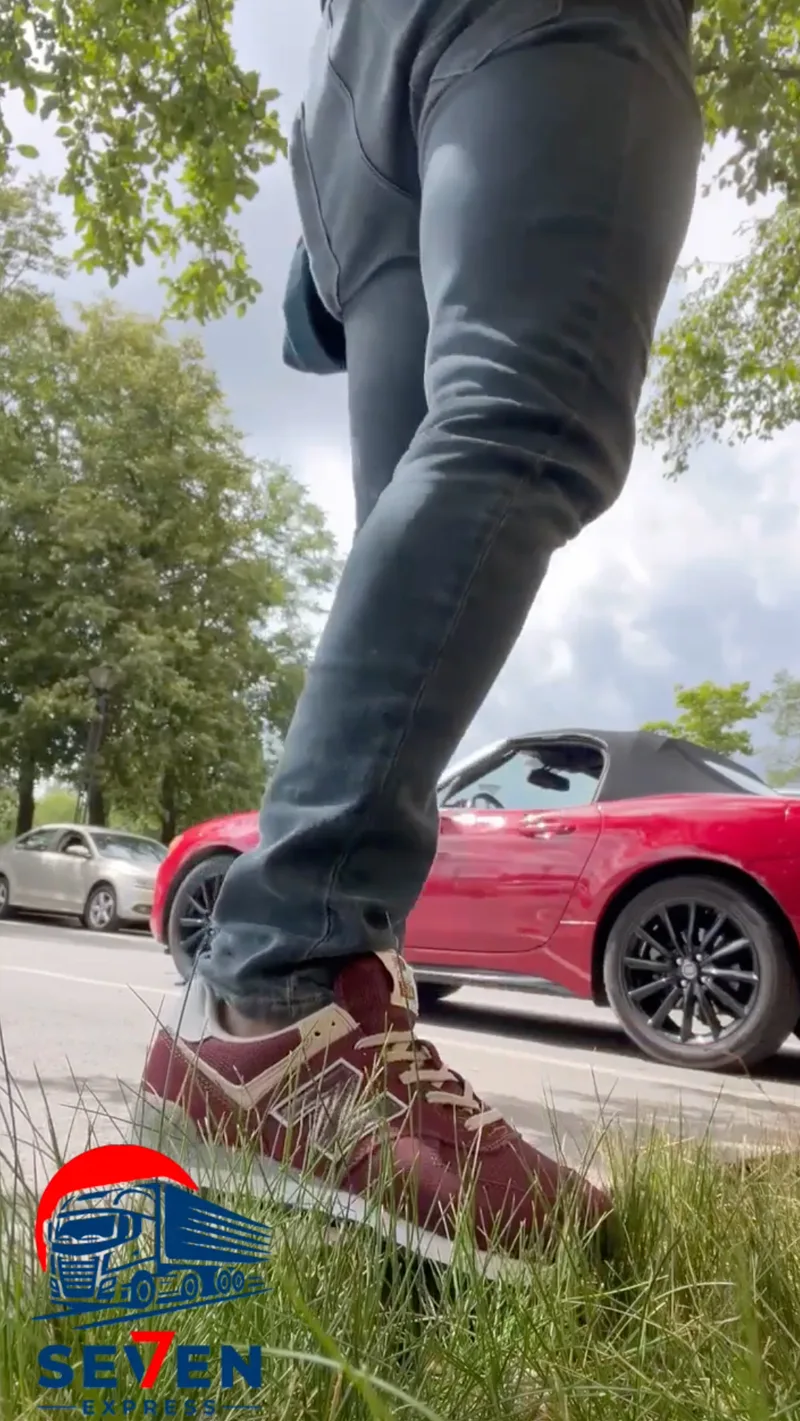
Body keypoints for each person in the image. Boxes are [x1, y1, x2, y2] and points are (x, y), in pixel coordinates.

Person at [138, 0, 702, 1270]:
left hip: (352, 100)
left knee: (422, 506)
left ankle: (324, 1072)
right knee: (524, 422)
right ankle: (276, 1002)